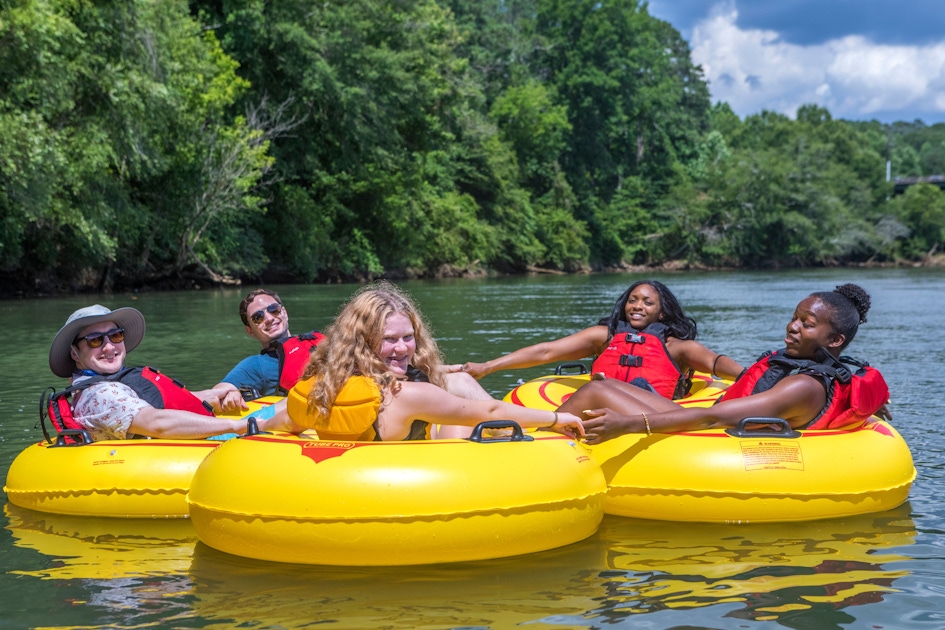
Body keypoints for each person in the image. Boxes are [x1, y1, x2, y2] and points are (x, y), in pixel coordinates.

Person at [559, 284, 890, 444]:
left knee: (593, 393)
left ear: (835, 341)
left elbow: (713, 416)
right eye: (794, 318)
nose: (792, 327)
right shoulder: (812, 367)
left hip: (710, 439)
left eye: (807, 324)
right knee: (601, 386)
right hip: (710, 425)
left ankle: (549, 441)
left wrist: (627, 424)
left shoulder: (804, 385)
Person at [267, 281, 585, 441]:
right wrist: (555, 420)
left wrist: (250, 432)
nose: (403, 348)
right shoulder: (408, 395)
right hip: (408, 486)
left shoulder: (323, 387)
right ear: (364, 341)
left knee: (458, 382)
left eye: (408, 337)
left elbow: (285, 422)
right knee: (461, 404)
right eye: (390, 339)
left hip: (359, 468)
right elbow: (489, 411)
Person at [454, 280, 744, 399]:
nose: (637, 306)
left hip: (654, 413)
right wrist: (487, 366)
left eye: (647, 302)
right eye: (632, 300)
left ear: (663, 313)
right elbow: (546, 352)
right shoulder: (604, 337)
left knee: (606, 391)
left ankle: (632, 393)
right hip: (604, 405)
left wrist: (750, 376)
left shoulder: (678, 347)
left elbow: (716, 364)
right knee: (600, 391)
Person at [47, 304, 277, 441]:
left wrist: (210, 396)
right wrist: (239, 425)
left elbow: (156, 404)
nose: (109, 347)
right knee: (288, 414)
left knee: (288, 408)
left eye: (115, 336)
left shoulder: (109, 384)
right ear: (75, 353)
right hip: (176, 454)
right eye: (95, 340)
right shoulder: (100, 394)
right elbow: (156, 422)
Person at [215, 289, 325, 410]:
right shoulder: (256, 365)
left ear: (285, 313)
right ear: (250, 331)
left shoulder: (319, 341)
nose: (269, 318)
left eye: (273, 309)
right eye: (258, 317)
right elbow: (216, 393)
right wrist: (231, 394)